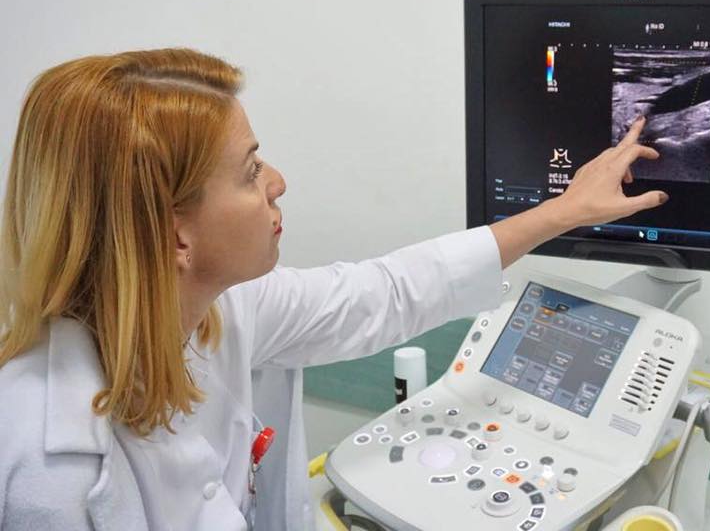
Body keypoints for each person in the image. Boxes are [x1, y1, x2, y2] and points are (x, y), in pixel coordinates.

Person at [0, 49, 666, 530]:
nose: (277, 182)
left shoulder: (221, 309)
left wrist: (563, 212)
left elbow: (386, 293)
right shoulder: (50, 471)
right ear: (174, 236)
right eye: (249, 170)